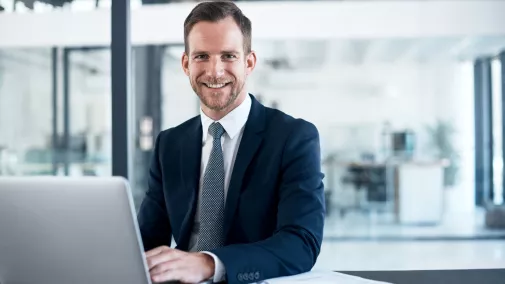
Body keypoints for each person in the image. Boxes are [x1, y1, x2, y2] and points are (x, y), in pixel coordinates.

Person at [137, 1, 325, 283]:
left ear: (248, 63)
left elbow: (301, 243)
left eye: (228, 56)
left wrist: (209, 264)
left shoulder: (293, 138)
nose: (215, 71)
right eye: (201, 56)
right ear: (186, 64)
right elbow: (147, 240)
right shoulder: (170, 143)